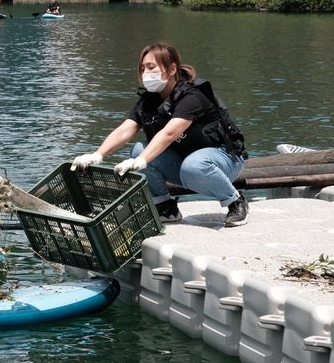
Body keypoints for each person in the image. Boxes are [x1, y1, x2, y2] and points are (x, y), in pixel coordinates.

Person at [70, 42, 250, 227]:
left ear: (171, 69)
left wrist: (142, 160)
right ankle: (165, 207)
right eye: (142, 69)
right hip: (184, 164)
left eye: (151, 67)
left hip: (223, 160)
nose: (146, 73)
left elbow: (169, 133)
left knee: (188, 164)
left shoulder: (192, 96)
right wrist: (97, 154)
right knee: (139, 149)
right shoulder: (149, 100)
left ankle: (235, 201)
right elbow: (126, 129)